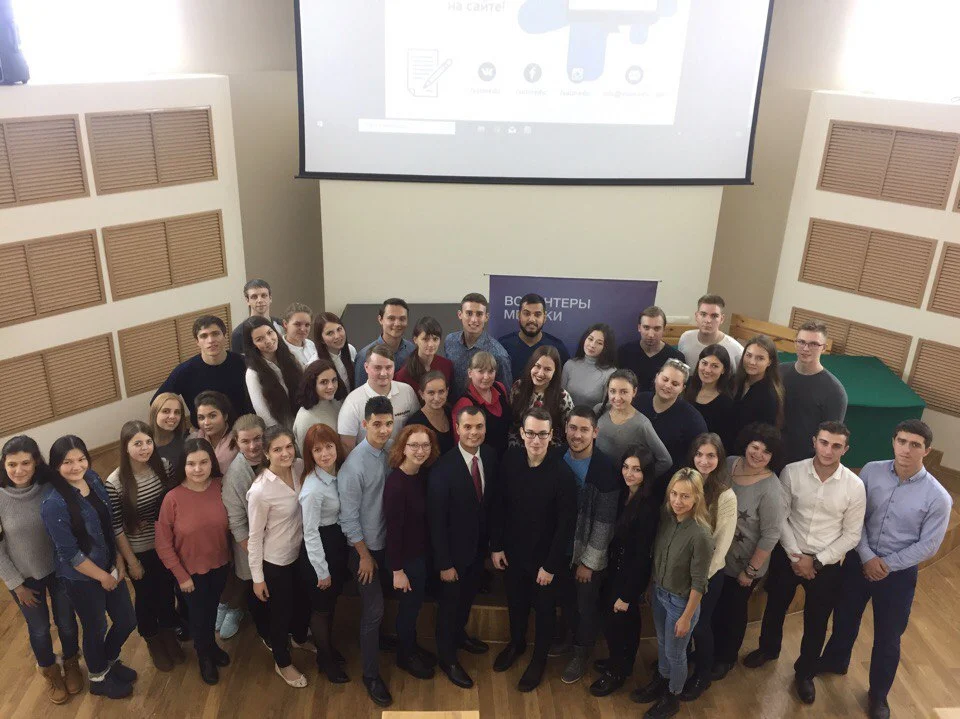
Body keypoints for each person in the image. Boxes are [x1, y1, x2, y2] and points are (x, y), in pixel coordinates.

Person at [818, 420, 952, 719]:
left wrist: (886, 565)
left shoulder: (938, 497)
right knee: (844, 617)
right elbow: (857, 517)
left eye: (915, 445)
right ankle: (835, 661)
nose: (906, 449)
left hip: (898, 575)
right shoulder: (871, 471)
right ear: (893, 441)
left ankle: (878, 695)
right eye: (902, 441)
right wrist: (867, 556)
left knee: (888, 637)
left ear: (927, 451)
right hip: (859, 561)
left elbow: (928, 546)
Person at [742, 421, 865, 705]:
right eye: (824, 442)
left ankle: (805, 672)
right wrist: (797, 556)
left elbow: (852, 535)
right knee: (775, 607)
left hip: (826, 563)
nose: (828, 450)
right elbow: (781, 517)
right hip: (789, 554)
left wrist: (817, 562)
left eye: (836, 446)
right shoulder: (792, 472)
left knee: (817, 621)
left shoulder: (854, 486)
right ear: (814, 442)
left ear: (845, 450)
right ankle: (768, 649)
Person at [41, 436, 137, 699]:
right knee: (96, 628)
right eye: (67, 462)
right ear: (56, 465)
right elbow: (69, 554)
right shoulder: (53, 504)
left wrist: (118, 559)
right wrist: (102, 576)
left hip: (109, 565)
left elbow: (109, 524)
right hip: (80, 578)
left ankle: (109, 660)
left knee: (127, 620)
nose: (76, 466)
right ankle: (98, 677)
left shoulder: (93, 479)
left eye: (81, 459)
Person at [490, 407, 578, 692]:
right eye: (530, 433)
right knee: (515, 604)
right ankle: (516, 644)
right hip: (513, 553)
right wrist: (496, 546)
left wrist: (550, 566)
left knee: (544, 611)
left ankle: (539, 660)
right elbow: (499, 505)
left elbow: (565, 526)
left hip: (545, 561)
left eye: (542, 434)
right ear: (522, 434)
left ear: (551, 435)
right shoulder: (511, 460)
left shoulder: (562, 474)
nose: (536, 440)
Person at [0, 436, 82, 704]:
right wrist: (16, 584)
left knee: (66, 622)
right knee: (39, 629)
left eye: (25, 463)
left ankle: (71, 662)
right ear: (4, 465)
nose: (19, 470)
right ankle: (50, 671)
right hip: (24, 578)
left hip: (59, 571)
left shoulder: (50, 487)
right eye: (12, 464)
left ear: (36, 462)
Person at [632, 468, 713, 719]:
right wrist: (651, 587)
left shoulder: (701, 534)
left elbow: (699, 582)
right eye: (674, 494)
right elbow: (657, 558)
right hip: (659, 593)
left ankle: (672, 696)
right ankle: (662, 681)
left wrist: (686, 617)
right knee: (663, 644)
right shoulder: (666, 519)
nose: (677, 501)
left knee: (676, 654)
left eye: (685, 496)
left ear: (697, 498)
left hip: (681, 602)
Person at [427, 405, 497, 690]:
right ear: (457, 429)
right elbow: (436, 523)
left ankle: (460, 636)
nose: (473, 432)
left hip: (477, 552)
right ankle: (447, 658)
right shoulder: (442, 468)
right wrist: (444, 564)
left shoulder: (490, 456)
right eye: (467, 427)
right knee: (449, 607)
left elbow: (490, 506)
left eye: (479, 426)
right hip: (452, 557)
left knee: (466, 600)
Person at [105, 421, 182, 672]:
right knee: (146, 597)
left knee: (167, 592)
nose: (145, 448)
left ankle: (169, 633)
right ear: (125, 447)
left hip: (165, 545)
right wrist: (132, 562)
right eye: (137, 443)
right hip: (139, 551)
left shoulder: (164, 466)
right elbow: (116, 527)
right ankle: (152, 639)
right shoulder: (115, 482)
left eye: (148, 442)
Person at [155, 438, 232, 685]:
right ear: (183, 466)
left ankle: (211, 646)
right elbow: (163, 544)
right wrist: (181, 576)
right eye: (191, 464)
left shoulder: (221, 486)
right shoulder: (172, 498)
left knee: (211, 610)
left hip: (220, 565)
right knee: (199, 616)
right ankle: (204, 656)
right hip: (189, 573)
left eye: (203, 462)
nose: (198, 469)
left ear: (212, 463)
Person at [710, 423, 783, 681]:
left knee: (733, 613)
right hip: (717, 557)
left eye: (766, 451)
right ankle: (708, 652)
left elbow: (771, 534)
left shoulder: (771, 489)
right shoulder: (729, 463)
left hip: (743, 565)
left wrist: (750, 571)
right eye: (755, 447)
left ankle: (725, 658)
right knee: (713, 608)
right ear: (746, 445)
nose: (758, 454)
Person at [554, 407, 621, 684]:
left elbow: (605, 523)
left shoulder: (605, 469)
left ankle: (582, 652)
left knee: (586, 607)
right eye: (573, 428)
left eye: (584, 429)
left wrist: (589, 563)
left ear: (595, 432)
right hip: (561, 549)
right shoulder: (557, 457)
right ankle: (568, 639)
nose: (577, 435)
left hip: (586, 555)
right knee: (566, 601)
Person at [337, 396, 395, 707]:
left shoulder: (389, 452)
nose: (384, 430)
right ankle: (370, 675)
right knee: (373, 611)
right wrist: (364, 556)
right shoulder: (354, 466)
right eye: (377, 424)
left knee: (381, 607)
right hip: (364, 551)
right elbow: (348, 518)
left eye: (388, 423)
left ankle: (380, 641)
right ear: (365, 424)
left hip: (385, 544)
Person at [589, 445, 660, 698]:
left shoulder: (648, 507)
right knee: (615, 622)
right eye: (626, 467)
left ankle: (617, 672)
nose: (629, 473)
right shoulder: (622, 495)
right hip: (614, 568)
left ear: (646, 473)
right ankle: (619, 662)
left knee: (620, 624)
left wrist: (628, 594)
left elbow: (642, 557)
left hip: (629, 575)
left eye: (636, 470)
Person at [247, 427, 312, 688]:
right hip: (276, 561)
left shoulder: (299, 467)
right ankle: (282, 662)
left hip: (302, 551)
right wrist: (257, 578)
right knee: (280, 614)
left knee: (303, 602)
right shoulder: (260, 491)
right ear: (266, 453)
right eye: (277, 449)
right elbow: (254, 538)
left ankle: (299, 638)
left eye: (288, 446)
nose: (285, 453)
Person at [679, 434, 737, 701]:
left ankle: (702, 676)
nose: (704, 461)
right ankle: (679, 666)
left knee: (700, 626)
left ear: (719, 459)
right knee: (680, 624)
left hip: (707, 576)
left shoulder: (725, 496)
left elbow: (721, 545)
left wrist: (698, 579)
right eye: (699, 454)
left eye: (711, 455)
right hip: (679, 572)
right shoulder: (684, 484)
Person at [385, 424, 441, 680]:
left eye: (425, 445)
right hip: (406, 561)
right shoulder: (396, 484)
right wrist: (397, 570)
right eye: (414, 445)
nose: (420, 450)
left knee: (416, 606)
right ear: (403, 448)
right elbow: (393, 532)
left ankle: (411, 647)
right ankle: (405, 656)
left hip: (421, 554)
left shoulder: (421, 475)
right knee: (408, 610)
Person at [298, 423, 351, 684]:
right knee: (321, 609)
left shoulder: (338, 472)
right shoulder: (312, 489)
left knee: (330, 605)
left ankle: (327, 648)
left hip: (336, 543)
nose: (325, 453)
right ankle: (325, 660)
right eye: (317, 450)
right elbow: (310, 533)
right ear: (310, 454)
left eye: (329, 446)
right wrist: (322, 571)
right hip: (319, 550)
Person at [219, 414, 270, 644]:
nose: (252, 446)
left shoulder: (275, 456)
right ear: (236, 443)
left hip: (280, 541)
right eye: (245, 441)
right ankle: (264, 631)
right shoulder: (235, 476)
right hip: (251, 546)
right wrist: (259, 555)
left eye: (257, 438)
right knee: (255, 591)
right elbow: (237, 524)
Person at [154, 315, 253, 427]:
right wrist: (180, 425)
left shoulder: (244, 363)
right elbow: (157, 402)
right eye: (204, 336)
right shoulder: (185, 371)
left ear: (224, 336)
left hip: (244, 428)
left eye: (215, 334)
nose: (211, 340)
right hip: (205, 431)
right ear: (197, 341)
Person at [634, 358, 708, 498]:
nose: (668, 386)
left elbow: (698, 457)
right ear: (657, 377)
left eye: (675, 384)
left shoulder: (692, 419)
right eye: (665, 379)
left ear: (682, 388)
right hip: (632, 478)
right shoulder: (638, 401)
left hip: (668, 488)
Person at [780, 320, 848, 464]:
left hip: (803, 464)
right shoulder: (778, 372)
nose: (806, 348)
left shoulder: (835, 392)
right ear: (795, 343)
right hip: (769, 455)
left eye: (813, 344)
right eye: (801, 342)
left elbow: (830, 438)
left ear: (824, 348)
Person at [338, 345, 420, 453]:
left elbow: (417, 428)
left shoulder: (407, 391)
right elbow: (347, 447)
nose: (383, 373)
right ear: (366, 367)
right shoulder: (352, 402)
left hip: (402, 460)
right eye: (377, 368)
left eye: (388, 367)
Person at [594, 369, 672, 479]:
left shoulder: (642, 424)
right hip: (593, 473)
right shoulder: (599, 409)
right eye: (613, 391)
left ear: (634, 392)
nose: (617, 397)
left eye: (624, 392)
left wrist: (639, 478)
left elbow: (665, 461)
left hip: (617, 483)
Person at [444, 293, 513, 397]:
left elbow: (505, 394)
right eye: (469, 313)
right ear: (460, 314)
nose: (474, 320)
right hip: (451, 405)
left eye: (479, 314)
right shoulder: (450, 341)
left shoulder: (499, 354)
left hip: (481, 407)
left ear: (486, 317)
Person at [242, 316, 304, 429]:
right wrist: (283, 434)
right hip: (281, 430)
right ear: (253, 344)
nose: (268, 340)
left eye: (270, 333)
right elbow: (263, 414)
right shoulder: (252, 374)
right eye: (259, 339)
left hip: (303, 421)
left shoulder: (291, 357)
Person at [509, 345, 574, 447]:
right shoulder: (518, 387)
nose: (540, 373)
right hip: (518, 446)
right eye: (537, 366)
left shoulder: (563, 397)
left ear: (555, 372)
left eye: (547, 369)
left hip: (549, 448)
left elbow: (570, 429)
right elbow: (512, 421)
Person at [450, 351, 512, 458]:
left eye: (491, 371)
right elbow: (462, 445)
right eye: (481, 371)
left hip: (506, 456)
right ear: (470, 373)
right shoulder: (464, 404)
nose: (486, 376)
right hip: (483, 460)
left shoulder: (500, 388)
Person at [497, 292, 570, 380]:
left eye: (537, 314)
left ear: (544, 317)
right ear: (518, 315)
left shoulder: (557, 347)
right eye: (526, 313)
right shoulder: (502, 345)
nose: (532, 319)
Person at [731, 335, 785, 448]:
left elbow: (763, 436)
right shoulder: (735, 380)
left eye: (760, 358)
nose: (752, 362)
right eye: (749, 355)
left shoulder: (769, 395)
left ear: (769, 362)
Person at [617, 306, 686, 392]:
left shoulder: (676, 358)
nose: (651, 334)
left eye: (657, 328)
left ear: (664, 329)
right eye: (646, 327)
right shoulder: (624, 352)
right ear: (639, 327)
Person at [685, 345, 737, 453]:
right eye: (704, 363)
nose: (707, 370)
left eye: (715, 366)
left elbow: (724, 442)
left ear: (723, 370)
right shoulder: (686, 384)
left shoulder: (726, 403)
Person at [355, 298, 416, 387]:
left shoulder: (412, 351)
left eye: (402, 319)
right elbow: (360, 391)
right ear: (380, 319)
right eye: (391, 318)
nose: (397, 323)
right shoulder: (364, 356)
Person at [678, 295, 744, 371]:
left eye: (714, 316)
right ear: (696, 316)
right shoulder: (685, 338)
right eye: (703, 314)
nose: (708, 320)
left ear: (722, 319)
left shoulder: (736, 350)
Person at [394, 316, 454, 395]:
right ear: (415, 340)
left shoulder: (447, 365)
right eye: (425, 339)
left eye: (435, 339)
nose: (431, 344)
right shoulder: (403, 374)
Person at [562, 322, 618, 407]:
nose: (592, 345)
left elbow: (607, 408)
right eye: (590, 339)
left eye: (599, 343)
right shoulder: (570, 365)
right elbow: (560, 398)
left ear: (606, 347)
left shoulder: (610, 372)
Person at [293, 359, 345, 448]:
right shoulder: (305, 418)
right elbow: (306, 454)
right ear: (312, 384)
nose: (331, 386)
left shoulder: (336, 403)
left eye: (334, 380)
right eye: (324, 382)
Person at [406, 370, 455, 454]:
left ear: (447, 391)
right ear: (422, 394)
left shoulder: (450, 411)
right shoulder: (415, 423)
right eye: (431, 393)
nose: (437, 398)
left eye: (441, 392)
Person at [230, 279, 284, 354]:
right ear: (247, 301)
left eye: (264, 295)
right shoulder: (239, 334)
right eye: (254, 297)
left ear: (270, 298)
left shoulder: (281, 324)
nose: (260, 300)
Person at [191, 391, 238, 471]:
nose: (206, 423)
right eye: (201, 418)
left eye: (212, 416)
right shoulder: (194, 439)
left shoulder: (239, 439)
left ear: (225, 416)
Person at [315, 311, 358, 392]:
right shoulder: (315, 362)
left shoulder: (351, 349)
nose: (337, 336)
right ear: (321, 339)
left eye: (339, 329)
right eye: (330, 333)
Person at [149, 393, 190, 469]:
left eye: (177, 412)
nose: (172, 416)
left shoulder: (187, 438)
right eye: (166, 411)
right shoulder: (143, 443)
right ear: (155, 413)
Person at [281, 302, 319, 368]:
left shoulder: (311, 344)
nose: (303, 329)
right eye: (297, 324)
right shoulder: (279, 350)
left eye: (307, 325)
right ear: (285, 324)